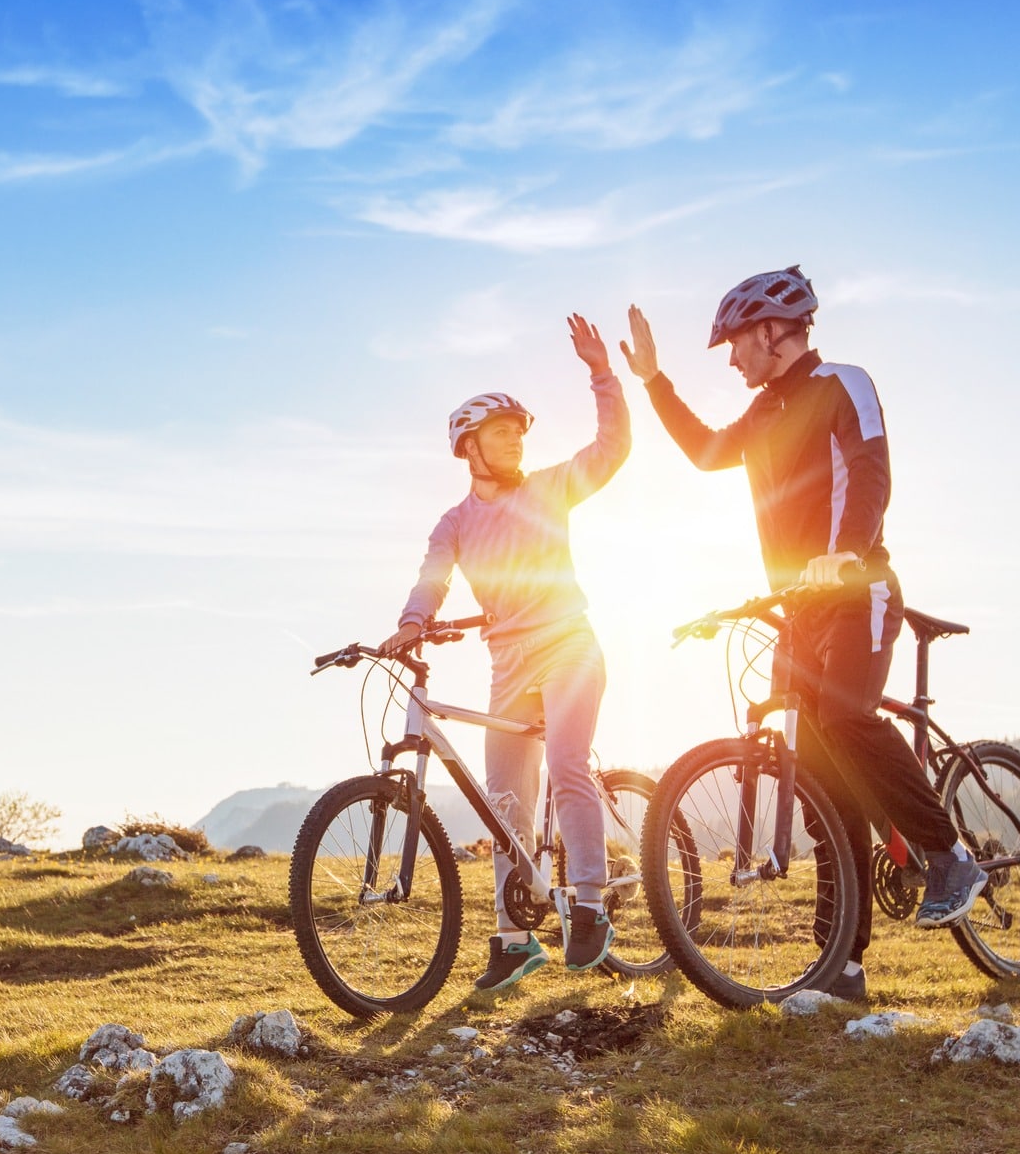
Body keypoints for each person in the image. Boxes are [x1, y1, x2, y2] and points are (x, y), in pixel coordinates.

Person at [620, 268, 986, 1001]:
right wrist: (654, 380)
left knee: (847, 718)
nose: (730, 361)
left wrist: (848, 548)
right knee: (823, 790)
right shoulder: (761, 415)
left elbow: (871, 471)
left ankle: (949, 856)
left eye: (733, 345)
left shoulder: (842, 385)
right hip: (801, 609)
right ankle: (841, 967)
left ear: (769, 332)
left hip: (859, 591)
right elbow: (703, 451)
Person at [381, 314, 629, 1000]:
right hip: (509, 664)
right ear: (469, 448)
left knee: (567, 764)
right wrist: (412, 620)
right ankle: (515, 941)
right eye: (501, 432)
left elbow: (611, 449)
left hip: (570, 644)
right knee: (505, 804)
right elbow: (432, 575)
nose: (517, 440)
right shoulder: (454, 523)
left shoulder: (550, 487)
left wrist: (601, 373)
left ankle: (588, 903)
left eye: (521, 431)